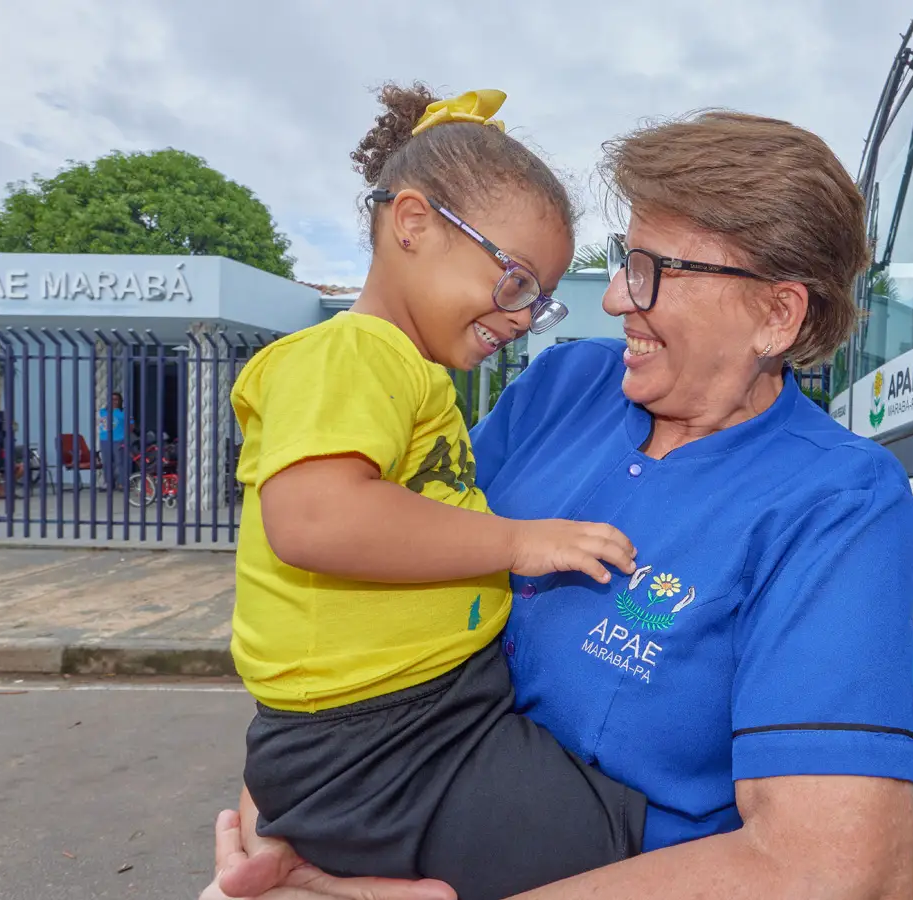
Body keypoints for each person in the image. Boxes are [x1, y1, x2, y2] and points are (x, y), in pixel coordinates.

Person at [205, 106, 913, 900]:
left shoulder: (836, 501)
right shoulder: (564, 387)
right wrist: (290, 825)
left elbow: (836, 868)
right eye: (623, 258)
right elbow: (362, 564)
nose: (616, 298)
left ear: (775, 314)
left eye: (653, 268)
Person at [225, 85, 650, 900]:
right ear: (413, 224)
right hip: (378, 745)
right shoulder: (350, 354)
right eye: (516, 281)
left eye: (541, 298)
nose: (526, 317)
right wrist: (523, 541)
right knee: (616, 846)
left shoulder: (409, 375)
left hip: (426, 717)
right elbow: (315, 517)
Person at [96, 392, 129, 491]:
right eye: (112, 399)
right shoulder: (102, 412)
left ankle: (121, 483)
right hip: (105, 440)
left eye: (116, 399)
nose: (114, 401)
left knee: (120, 462)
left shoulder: (123, 412)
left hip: (118, 440)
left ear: (120, 401)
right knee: (106, 462)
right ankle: (109, 483)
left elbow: (131, 425)